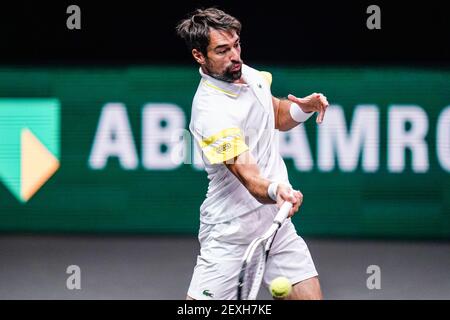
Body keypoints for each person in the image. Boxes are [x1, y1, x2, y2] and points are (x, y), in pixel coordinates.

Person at [176, 7, 328, 300]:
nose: (235, 56)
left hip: (276, 225)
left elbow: (278, 115)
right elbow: (251, 179)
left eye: (236, 44)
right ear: (199, 56)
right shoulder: (211, 112)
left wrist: (304, 107)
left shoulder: (250, 75)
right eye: (222, 50)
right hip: (231, 233)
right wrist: (277, 190)